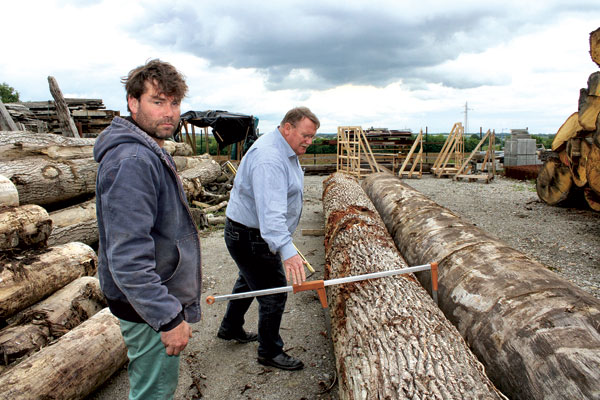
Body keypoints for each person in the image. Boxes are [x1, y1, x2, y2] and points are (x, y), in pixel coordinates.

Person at [94, 59, 201, 399]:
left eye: (174, 102)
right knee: (153, 393)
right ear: (133, 102)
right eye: (158, 101)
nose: (169, 112)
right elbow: (127, 257)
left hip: (150, 300)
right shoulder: (134, 161)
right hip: (147, 307)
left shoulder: (147, 150)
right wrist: (167, 317)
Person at [217, 107, 319, 371]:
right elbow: (271, 215)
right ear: (287, 128)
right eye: (305, 136)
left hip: (247, 232)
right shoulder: (270, 159)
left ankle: (230, 327)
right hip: (252, 236)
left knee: (249, 280)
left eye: (312, 137)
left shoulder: (284, 148)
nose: (309, 141)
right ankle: (270, 352)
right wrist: (287, 250)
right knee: (273, 292)